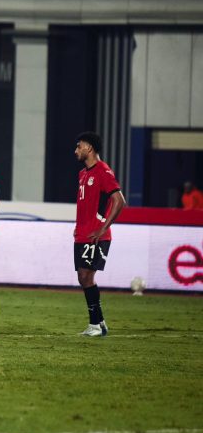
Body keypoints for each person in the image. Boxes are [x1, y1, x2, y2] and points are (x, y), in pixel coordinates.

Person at [73, 132, 126, 337]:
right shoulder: (83, 174)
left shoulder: (103, 171)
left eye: (79, 146)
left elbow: (119, 200)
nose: (76, 150)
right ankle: (99, 323)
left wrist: (103, 227)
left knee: (86, 276)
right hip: (82, 234)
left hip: (96, 236)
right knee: (82, 276)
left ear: (90, 148)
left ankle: (95, 324)